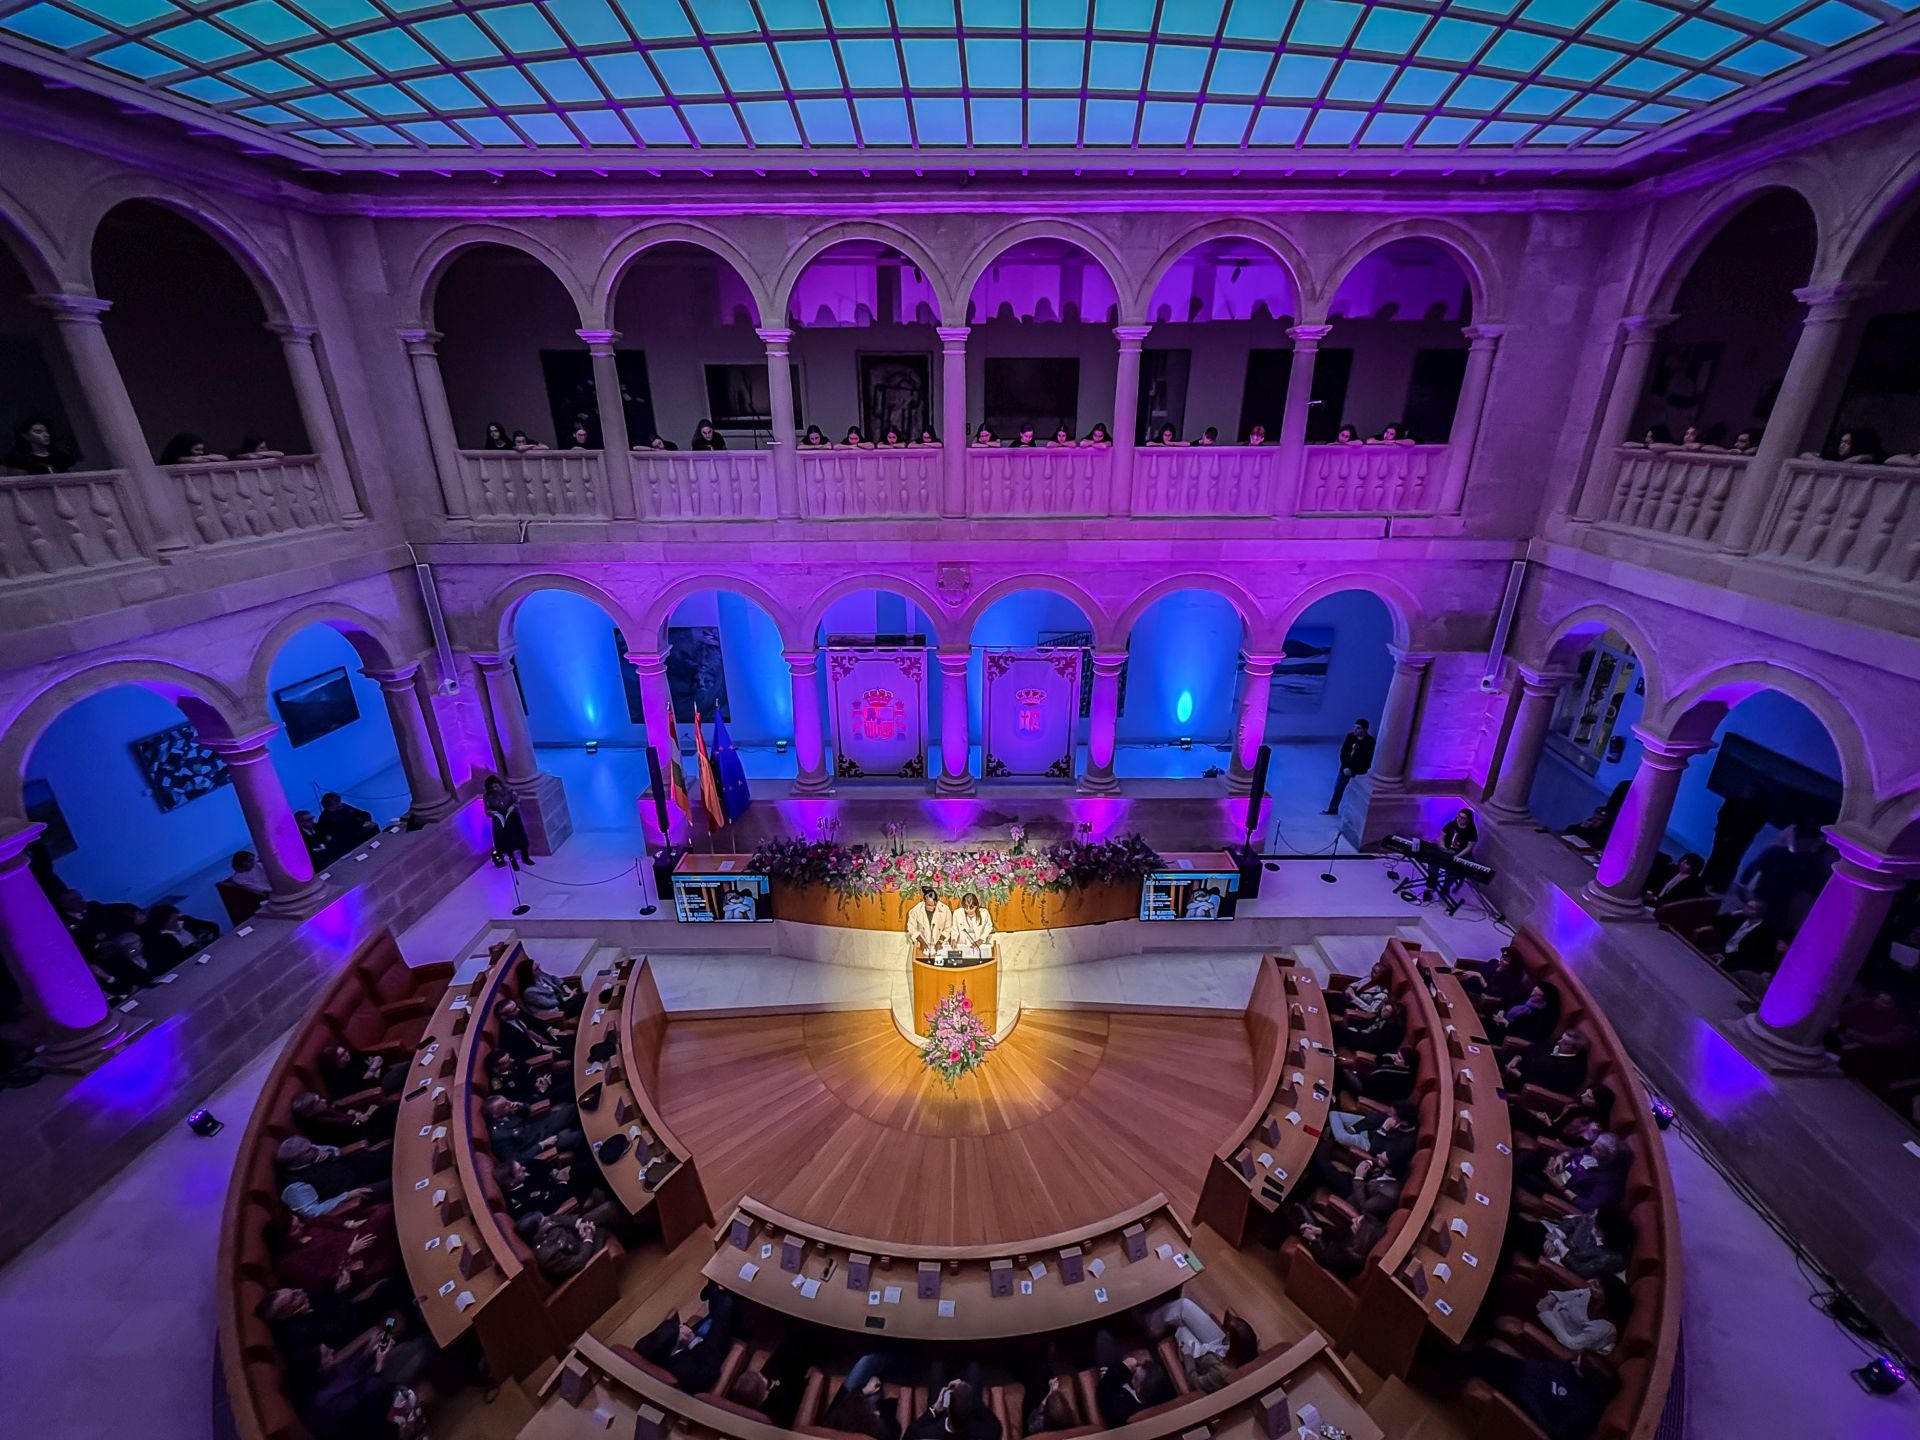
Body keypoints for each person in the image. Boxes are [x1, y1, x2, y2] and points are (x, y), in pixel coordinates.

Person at [635, 1284, 740, 1393]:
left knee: (718, 1309)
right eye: (680, 1330)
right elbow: (709, 1371)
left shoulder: (646, 1346)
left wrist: (680, 1336)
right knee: (725, 1306)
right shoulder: (681, 1373)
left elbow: (659, 1335)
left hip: (686, 1349)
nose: (682, 1327)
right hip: (706, 1357)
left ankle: (716, 1293)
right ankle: (722, 1296)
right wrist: (693, 1342)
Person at [1142, 1297, 1257, 1393]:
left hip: (1199, 1355)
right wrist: (1225, 1342)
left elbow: (1195, 1384)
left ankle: (1149, 1325)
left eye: (1229, 1336)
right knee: (1184, 1305)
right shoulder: (1236, 1349)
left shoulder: (1220, 1373)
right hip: (1218, 1347)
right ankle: (1154, 1319)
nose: (1225, 1334)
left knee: (1182, 1328)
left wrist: (1187, 1356)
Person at [1091, 1339, 1169, 1428]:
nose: (1134, 1373)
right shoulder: (1160, 1394)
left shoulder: (1125, 1412)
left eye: (1135, 1378)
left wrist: (1119, 1369)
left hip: (1110, 1383)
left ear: (1139, 1389)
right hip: (1118, 1378)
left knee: (1104, 1339)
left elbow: (1103, 1392)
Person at [1705, 784, 1770, 892]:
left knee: (1730, 862)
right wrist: (1725, 829)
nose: (1747, 792)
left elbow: (1754, 826)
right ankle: (1707, 879)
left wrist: (1735, 835)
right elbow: (1722, 814)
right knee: (1716, 856)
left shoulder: (1759, 810)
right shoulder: (1734, 800)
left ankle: (1720, 885)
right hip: (1724, 833)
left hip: (1740, 840)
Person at [906, 1379, 1001, 1440]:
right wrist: (970, 1398)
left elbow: (909, 1434)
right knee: (974, 1367)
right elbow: (997, 1428)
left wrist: (935, 1409)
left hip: (938, 1420)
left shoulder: (927, 1433)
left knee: (937, 1366)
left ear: (947, 1409)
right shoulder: (984, 1433)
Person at [1712, 896, 1784, 975]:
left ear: (1758, 912)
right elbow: (1715, 922)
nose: (1745, 908)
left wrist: (1725, 957)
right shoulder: (1740, 918)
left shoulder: (1765, 931)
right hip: (1722, 949)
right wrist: (1732, 913)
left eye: (1750, 908)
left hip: (1739, 961)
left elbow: (1751, 954)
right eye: (1746, 905)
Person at [139, 902, 219, 968]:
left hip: (213, 951)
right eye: (172, 919)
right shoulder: (161, 940)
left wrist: (207, 934)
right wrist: (196, 946)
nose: (176, 919)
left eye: (176, 916)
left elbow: (213, 926)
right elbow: (176, 960)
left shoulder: (185, 920)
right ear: (163, 923)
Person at [1325, 717, 1375, 813]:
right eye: (1355, 727)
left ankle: (1354, 812)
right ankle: (1333, 809)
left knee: (1357, 792)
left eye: (1358, 728)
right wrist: (1345, 767)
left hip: (1359, 772)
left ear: (1365, 729)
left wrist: (1353, 770)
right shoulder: (1350, 737)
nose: (1355, 730)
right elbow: (1344, 752)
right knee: (1338, 789)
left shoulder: (1370, 742)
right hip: (1345, 769)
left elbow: (1366, 759)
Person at [485, 776, 533, 870]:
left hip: (512, 817)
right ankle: (512, 860)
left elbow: (518, 801)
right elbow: (487, 810)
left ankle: (525, 857)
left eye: (496, 786)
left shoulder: (509, 791)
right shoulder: (488, 796)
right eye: (492, 788)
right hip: (500, 819)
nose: (495, 789)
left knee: (521, 838)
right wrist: (493, 812)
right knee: (507, 842)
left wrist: (513, 806)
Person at [1490, 983, 1562, 1044]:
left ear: (1544, 1000)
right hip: (1498, 1021)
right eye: (1533, 990)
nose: (1532, 994)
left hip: (1508, 1035)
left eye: (1537, 994)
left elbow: (1528, 1035)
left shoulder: (1544, 1017)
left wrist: (1506, 1023)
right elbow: (1508, 1001)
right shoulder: (1528, 996)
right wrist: (1502, 1011)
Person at [5, 417, 78, 474]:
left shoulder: (60, 455)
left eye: (46, 431)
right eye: (38, 432)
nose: (46, 435)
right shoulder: (18, 459)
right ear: (25, 435)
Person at [906, 886, 952, 958]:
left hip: (940, 945)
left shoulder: (945, 910)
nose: (932, 907)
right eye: (929, 905)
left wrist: (940, 941)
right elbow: (911, 928)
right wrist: (922, 942)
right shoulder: (915, 910)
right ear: (924, 900)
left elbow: (948, 928)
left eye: (934, 905)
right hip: (922, 945)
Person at [158, 432, 226, 464]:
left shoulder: (202, 455)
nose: (201, 452)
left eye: (202, 450)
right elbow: (195, 460)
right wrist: (206, 458)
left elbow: (223, 458)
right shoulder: (175, 457)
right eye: (197, 450)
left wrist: (205, 457)